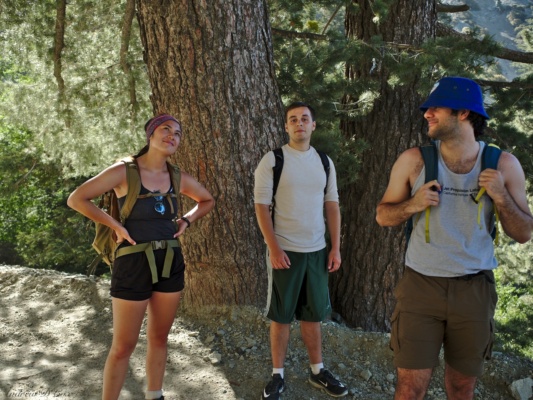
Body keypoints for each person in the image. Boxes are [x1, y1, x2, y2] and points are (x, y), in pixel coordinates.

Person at [376, 77, 533, 400]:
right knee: (409, 388)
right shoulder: (414, 160)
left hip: (474, 290)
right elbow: (383, 215)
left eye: (435, 108)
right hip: (421, 287)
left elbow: (523, 234)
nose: (427, 114)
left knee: (462, 388)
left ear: (463, 113)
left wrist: (501, 196)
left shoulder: (503, 165)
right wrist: (412, 204)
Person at [68, 114, 215, 400]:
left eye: (178, 133)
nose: (172, 135)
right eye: (165, 129)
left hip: (170, 261)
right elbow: (77, 199)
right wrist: (116, 226)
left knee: (159, 338)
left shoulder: (177, 177)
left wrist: (186, 221)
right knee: (123, 346)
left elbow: (207, 200)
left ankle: (154, 395)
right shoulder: (125, 171)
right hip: (133, 263)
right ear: (150, 134)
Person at [254, 102, 348, 399]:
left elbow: (331, 205)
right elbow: (261, 207)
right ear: (286, 126)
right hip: (285, 251)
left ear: (313, 125)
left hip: (318, 252)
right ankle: (277, 376)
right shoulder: (273, 160)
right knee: (281, 317)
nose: (299, 123)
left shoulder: (324, 162)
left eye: (304, 119)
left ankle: (317, 371)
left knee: (313, 316)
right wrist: (274, 247)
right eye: (293, 119)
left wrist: (336, 248)